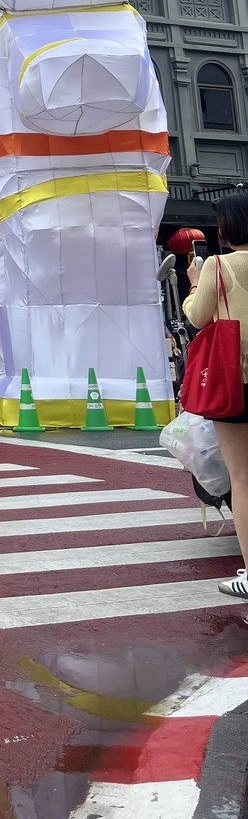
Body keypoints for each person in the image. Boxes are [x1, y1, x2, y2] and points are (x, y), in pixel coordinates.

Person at [184, 193, 248, 600]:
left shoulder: (217, 265)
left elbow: (196, 316)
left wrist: (193, 284)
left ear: (227, 229)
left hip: (236, 383)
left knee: (242, 478)